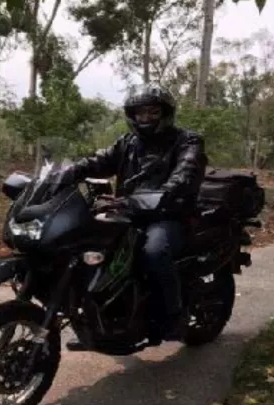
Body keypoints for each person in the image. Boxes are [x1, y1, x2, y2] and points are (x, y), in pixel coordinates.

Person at [56, 83, 208, 344]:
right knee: (87, 244)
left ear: (165, 113)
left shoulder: (187, 141)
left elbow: (185, 174)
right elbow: (98, 161)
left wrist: (163, 193)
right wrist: (63, 174)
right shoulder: (128, 143)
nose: (145, 118)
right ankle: (100, 311)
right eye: (140, 113)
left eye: (152, 112)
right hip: (129, 212)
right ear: (132, 115)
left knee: (153, 252)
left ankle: (173, 315)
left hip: (169, 215)